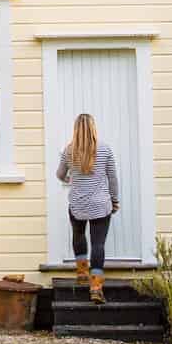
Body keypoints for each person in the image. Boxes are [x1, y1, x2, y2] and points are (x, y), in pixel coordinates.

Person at [56, 112, 119, 303]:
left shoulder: (69, 151)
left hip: (78, 204)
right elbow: (112, 179)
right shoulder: (105, 149)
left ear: (76, 129)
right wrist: (114, 200)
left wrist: (71, 180)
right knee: (98, 244)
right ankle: (96, 287)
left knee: (79, 235)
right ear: (93, 128)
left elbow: (59, 174)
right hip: (101, 204)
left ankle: (82, 273)